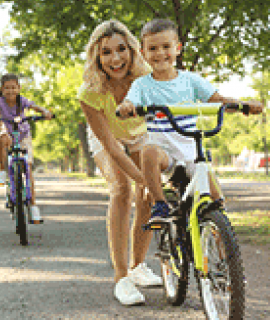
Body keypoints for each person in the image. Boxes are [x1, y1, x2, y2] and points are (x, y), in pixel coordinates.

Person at [117, 18, 264, 227]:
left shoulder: (190, 80)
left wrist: (244, 106)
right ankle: (160, 203)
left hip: (191, 151)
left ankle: (221, 246)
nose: (160, 53)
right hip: (164, 153)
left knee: (216, 202)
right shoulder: (142, 85)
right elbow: (130, 101)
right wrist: (126, 107)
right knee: (148, 150)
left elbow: (219, 100)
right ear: (143, 52)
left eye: (166, 47)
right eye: (153, 48)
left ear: (177, 48)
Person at [77, 20, 162, 306]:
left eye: (121, 49)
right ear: (96, 57)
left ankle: (139, 266)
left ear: (132, 49)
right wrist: (142, 178)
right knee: (122, 190)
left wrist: (150, 180)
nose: (115, 59)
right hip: (108, 139)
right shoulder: (90, 92)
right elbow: (113, 148)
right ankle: (121, 277)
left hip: (138, 133)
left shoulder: (147, 77)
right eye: (106, 52)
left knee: (148, 196)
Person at [0, 73, 53, 224]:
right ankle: (2, 171)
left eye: (13, 87)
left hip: (23, 136)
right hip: (8, 135)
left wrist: (44, 112)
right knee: (1, 138)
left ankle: (34, 206)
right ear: (2, 89)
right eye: (7, 88)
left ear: (19, 88)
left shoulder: (21, 101)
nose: (10, 91)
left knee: (27, 167)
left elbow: (34, 106)